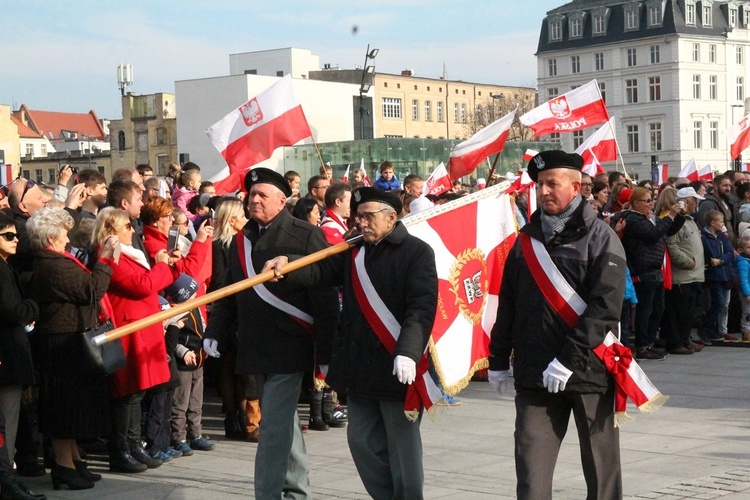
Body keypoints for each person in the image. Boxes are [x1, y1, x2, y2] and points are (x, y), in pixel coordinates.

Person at [263, 186, 438, 499]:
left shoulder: (416, 252)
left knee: (403, 450)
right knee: (361, 442)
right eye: (358, 217)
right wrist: (287, 265)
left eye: (368, 217)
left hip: (397, 366)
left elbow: (421, 307)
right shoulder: (352, 250)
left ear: (391, 218)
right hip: (359, 366)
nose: (361, 223)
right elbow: (319, 271)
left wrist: (409, 352)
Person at [488, 150, 626, 500]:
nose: (543, 191)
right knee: (531, 470)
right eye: (539, 185)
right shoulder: (526, 240)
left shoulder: (601, 238)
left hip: (588, 369)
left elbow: (605, 308)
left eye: (552, 184)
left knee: (600, 468)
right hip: (535, 370)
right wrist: (499, 359)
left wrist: (568, 359)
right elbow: (509, 303)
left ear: (577, 187)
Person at [203, 168, 338, 498]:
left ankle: (268, 494)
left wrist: (328, 351)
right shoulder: (241, 241)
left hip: (289, 346)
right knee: (284, 425)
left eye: (263, 195)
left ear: (282, 200)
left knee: (273, 430)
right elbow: (228, 290)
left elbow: (325, 288)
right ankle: (296, 491)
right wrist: (216, 330)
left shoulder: (305, 235)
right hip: (253, 346)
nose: (255, 200)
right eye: (252, 195)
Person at [26, 207, 119, 490]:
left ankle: (74, 461)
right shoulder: (52, 265)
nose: (67, 240)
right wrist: (104, 259)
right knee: (64, 408)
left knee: (72, 407)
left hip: (67, 340)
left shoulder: (55, 261)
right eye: (64, 235)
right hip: (61, 343)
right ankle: (64, 467)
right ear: (51, 237)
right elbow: (91, 290)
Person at [92, 208, 181, 473]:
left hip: (141, 327)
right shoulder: (110, 256)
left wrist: (163, 264)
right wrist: (162, 265)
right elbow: (141, 285)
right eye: (127, 227)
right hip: (129, 330)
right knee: (127, 392)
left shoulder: (128, 254)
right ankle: (121, 450)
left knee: (137, 391)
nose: (133, 231)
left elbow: (148, 282)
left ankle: (133, 446)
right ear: (111, 230)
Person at [208, 197, 261, 442]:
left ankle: (242, 417)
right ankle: (233, 419)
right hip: (229, 311)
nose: (246, 220)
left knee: (242, 369)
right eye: (242, 216)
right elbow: (219, 280)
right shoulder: (219, 244)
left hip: (243, 311)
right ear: (232, 220)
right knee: (229, 368)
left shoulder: (246, 242)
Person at [620, 186, 685, 359]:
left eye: (652, 200)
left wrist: (679, 216)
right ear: (635, 203)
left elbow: (667, 231)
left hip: (654, 270)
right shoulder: (633, 219)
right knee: (645, 310)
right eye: (647, 201)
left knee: (657, 309)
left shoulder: (649, 218)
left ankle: (649, 341)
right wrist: (670, 215)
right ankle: (642, 346)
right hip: (642, 271)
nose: (651, 204)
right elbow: (653, 234)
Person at [0, 213, 39, 493]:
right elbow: (12, 310)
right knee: (6, 422)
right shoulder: (1, 270)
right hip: (6, 356)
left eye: (17, 235)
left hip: (9, 353)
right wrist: (33, 308)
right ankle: (7, 480)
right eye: (8, 236)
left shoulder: (6, 266)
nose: (16, 241)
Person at [662, 187, 706, 354]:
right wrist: (687, 262)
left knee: (688, 313)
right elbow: (671, 245)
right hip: (683, 275)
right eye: (695, 200)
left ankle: (685, 339)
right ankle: (675, 342)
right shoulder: (676, 221)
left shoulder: (690, 220)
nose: (697, 203)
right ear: (686, 201)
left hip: (694, 275)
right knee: (678, 312)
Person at [700, 210, 737, 344]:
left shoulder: (722, 237)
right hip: (713, 274)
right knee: (718, 302)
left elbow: (729, 251)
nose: (722, 224)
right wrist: (713, 261)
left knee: (721, 303)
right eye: (720, 222)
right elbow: (708, 254)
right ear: (713, 223)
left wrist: (720, 260)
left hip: (723, 273)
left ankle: (711, 328)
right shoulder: (704, 238)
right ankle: (705, 327)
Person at [736, 236, 750, 341]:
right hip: (747, 293)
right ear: (740, 250)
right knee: (747, 313)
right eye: (748, 247)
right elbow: (743, 279)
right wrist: (747, 294)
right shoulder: (743, 263)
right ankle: (746, 331)